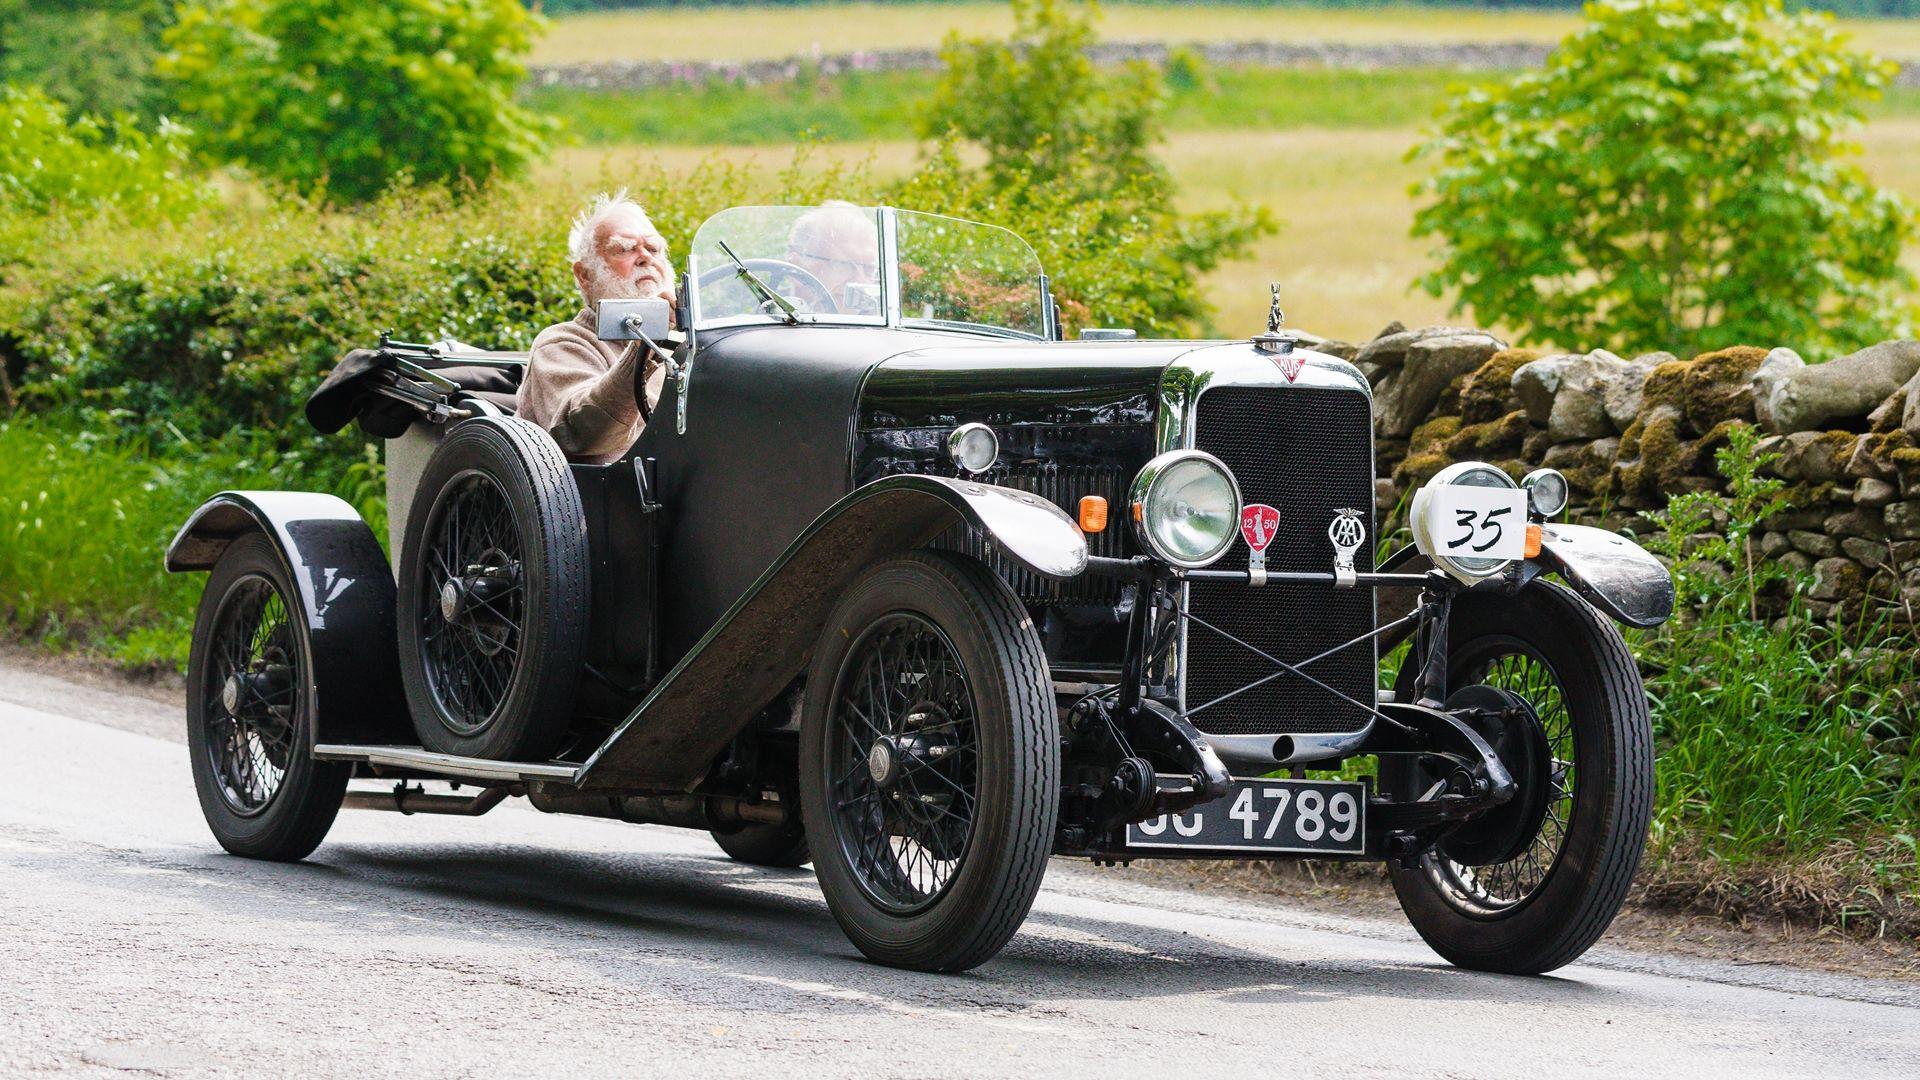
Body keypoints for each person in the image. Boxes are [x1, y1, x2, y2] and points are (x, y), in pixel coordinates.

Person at [516, 191, 675, 464]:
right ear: (585, 275)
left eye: (653, 248)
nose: (645, 257)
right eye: (624, 248)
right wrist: (644, 349)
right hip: (617, 500)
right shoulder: (563, 343)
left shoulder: (690, 339)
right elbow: (583, 435)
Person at [785, 201, 880, 314]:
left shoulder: (883, 326)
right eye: (843, 266)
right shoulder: (762, 323)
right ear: (797, 267)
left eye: (869, 269)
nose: (861, 282)